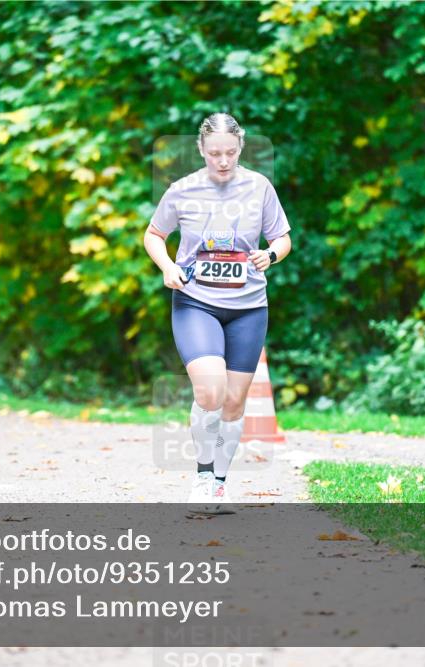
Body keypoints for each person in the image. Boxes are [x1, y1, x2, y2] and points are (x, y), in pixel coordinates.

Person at [143, 113, 292, 504]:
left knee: (233, 401)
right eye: (214, 154)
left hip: (248, 307)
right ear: (201, 150)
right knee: (210, 391)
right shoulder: (183, 189)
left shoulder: (259, 187)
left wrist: (270, 255)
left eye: (230, 152)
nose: (222, 161)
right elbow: (154, 235)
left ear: (240, 148)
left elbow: (282, 238)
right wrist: (168, 266)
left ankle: (220, 483)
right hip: (196, 302)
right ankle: (203, 477)